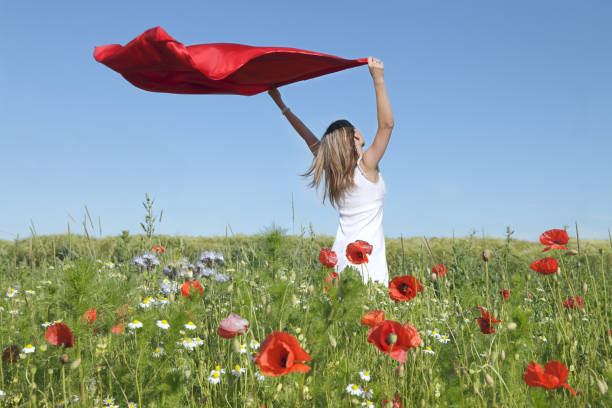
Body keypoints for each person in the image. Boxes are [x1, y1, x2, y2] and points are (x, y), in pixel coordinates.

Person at [268, 56, 394, 284]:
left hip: (340, 261)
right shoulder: (365, 167)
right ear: (356, 135)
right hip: (367, 264)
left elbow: (309, 139)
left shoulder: (337, 174)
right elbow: (386, 126)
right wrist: (379, 79)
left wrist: (282, 105)